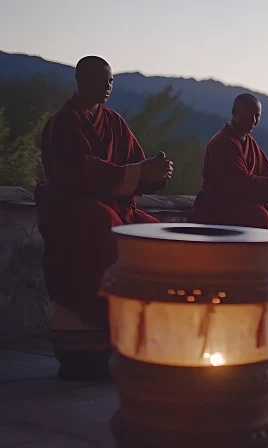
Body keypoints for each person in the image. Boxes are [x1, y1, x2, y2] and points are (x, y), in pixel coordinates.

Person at [35, 56, 173, 380]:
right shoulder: (63, 121)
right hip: (73, 208)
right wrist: (139, 171)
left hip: (113, 205)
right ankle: (98, 339)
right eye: (102, 79)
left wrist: (156, 172)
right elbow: (80, 170)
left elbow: (137, 164)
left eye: (111, 81)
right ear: (82, 80)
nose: (109, 86)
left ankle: (147, 334)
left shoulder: (114, 121)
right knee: (106, 227)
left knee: (157, 234)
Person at [189, 94, 268, 295]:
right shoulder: (223, 142)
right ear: (234, 113)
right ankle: (262, 289)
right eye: (249, 115)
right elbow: (239, 183)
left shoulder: (248, 142)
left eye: (257, 116)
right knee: (261, 218)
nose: (254, 121)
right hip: (218, 205)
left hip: (243, 201)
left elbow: (267, 174)